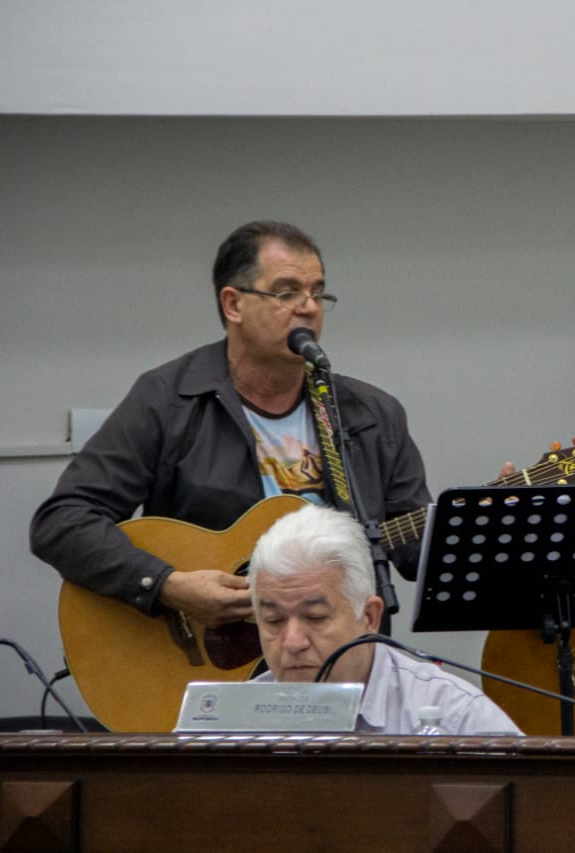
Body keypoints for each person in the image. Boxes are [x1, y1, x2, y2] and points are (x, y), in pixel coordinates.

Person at [31, 221, 430, 624]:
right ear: (233, 304)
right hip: (212, 648)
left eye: (317, 293)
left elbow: (415, 548)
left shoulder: (371, 413)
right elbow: (62, 521)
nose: (309, 307)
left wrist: (466, 525)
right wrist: (166, 585)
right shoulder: (169, 400)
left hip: (345, 643)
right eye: (287, 292)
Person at [249, 503, 521, 735]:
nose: (293, 642)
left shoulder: (455, 715)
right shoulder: (234, 718)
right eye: (273, 620)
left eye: (315, 617)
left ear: (370, 617)